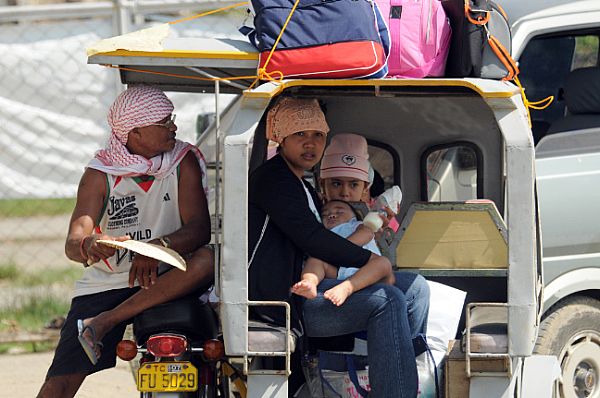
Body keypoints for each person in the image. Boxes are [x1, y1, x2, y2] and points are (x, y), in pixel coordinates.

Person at [36, 85, 214, 398]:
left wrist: (159, 248)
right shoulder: (100, 173)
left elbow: (200, 229)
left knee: (206, 260)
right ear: (135, 132)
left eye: (171, 118)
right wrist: (89, 245)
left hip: (167, 275)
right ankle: (100, 321)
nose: (174, 126)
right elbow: (74, 239)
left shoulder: (181, 161)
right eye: (164, 122)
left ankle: (104, 322)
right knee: (59, 385)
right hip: (109, 283)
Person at [248, 96, 419, 397]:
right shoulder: (274, 180)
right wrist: (367, 258)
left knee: (414, 289)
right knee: (388, 299)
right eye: (300, 135)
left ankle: (401, 366)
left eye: (317, 136)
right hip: (288, 302)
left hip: (315, 286)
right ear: (282, 138)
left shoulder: (302, 187)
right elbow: (311, 239)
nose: (310, 144)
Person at [319, 132, 430, 338]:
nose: (344, 192)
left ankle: (410, 353)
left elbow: (391, 261)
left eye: (353, 184)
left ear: (365, 188)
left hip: (368, 278)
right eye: (336, 183)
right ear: (322, 185)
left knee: (417, 287)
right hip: (331, 281)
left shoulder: (380, 219)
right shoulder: (317, 214)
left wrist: (381, 235)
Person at [291, 199, 394, 306]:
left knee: (383, 263)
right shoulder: (323, 234)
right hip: (338, 270)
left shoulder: (357, 225)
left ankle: (347, 287)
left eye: (339, 212)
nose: (331, 215)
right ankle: (309, 282)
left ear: (354, 216)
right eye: (325, 215)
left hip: (367, 269)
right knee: (314, 260)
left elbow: (366, 234)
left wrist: (340, 249)